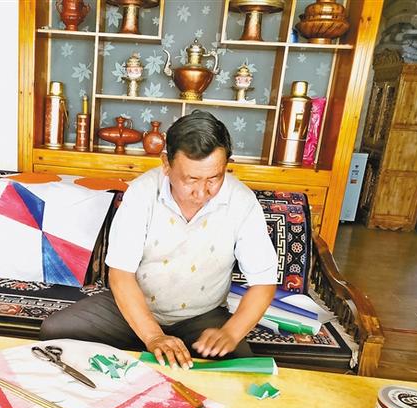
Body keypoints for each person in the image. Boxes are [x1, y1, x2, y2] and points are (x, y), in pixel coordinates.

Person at [40, 110, 278, 370]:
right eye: (191, 179)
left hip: (202, 317)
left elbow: (263, 282)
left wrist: (231, 332)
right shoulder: (141, 193)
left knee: (240, 366)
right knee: (56, 330)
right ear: (166, 164)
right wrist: (153, 336)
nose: (202, 193)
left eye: (214, 178)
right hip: (134, 310)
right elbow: (120, 274)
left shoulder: (242, 202)